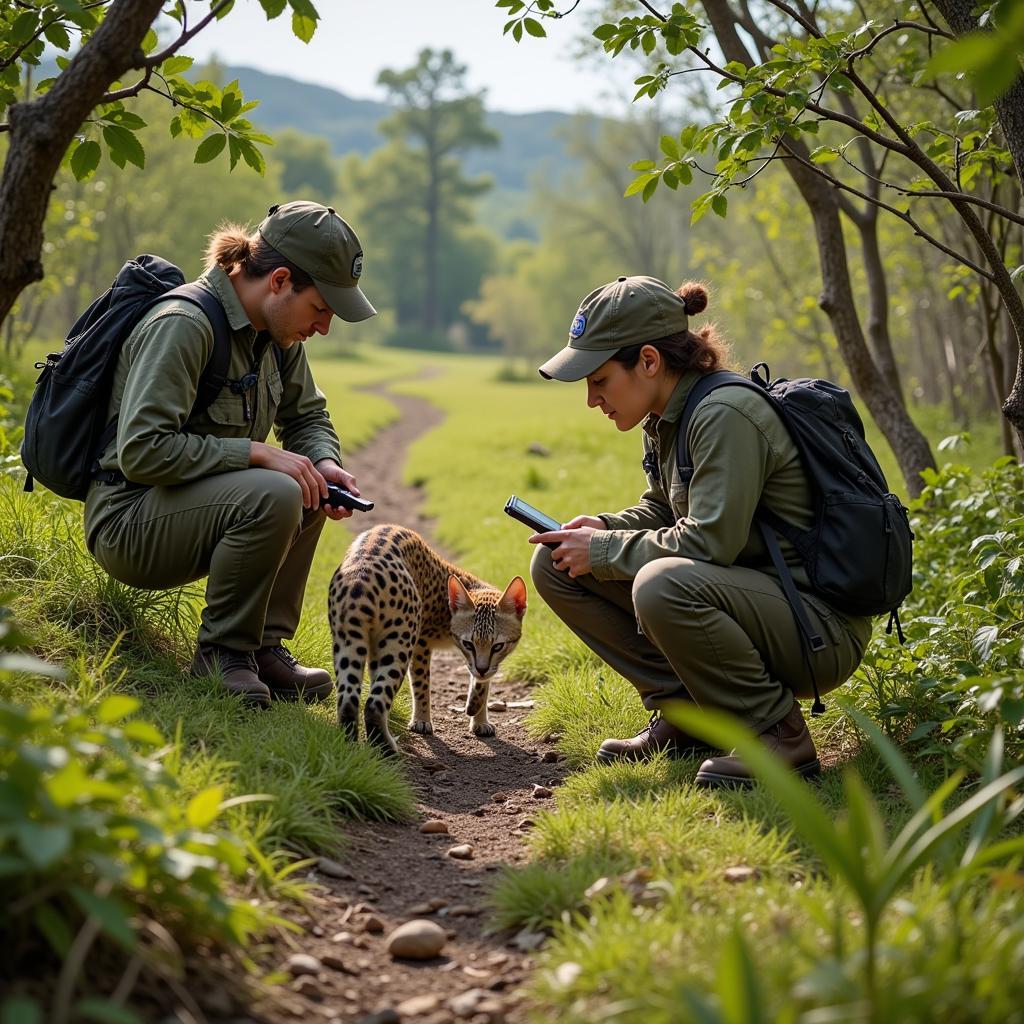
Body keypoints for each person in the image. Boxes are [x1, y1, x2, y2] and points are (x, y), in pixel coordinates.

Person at [528, 275, 873, 787]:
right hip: (751, 603)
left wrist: (603, 550)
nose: (591, 399)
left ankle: (780, 736)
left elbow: (709, 541)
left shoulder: (723, 414)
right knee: (555, 565)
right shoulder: (669, 415)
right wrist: (601, 529)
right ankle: (694, 718)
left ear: (648, 361)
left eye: (598, 380)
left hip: (815, 628)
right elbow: (666, 513)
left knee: (662, 582)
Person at [85, 201, 374, 708]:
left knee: (308, 482)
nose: (324, 327)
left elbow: (306, 418)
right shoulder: (184, 324)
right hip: (130, 521)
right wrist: (255, 454)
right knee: (277, 488)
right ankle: (222, 655)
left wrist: (325, 464)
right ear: (280, 280)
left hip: (192, 508)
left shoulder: (279, 335)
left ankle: (263, 649)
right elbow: (142, 452)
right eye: (322, 308)